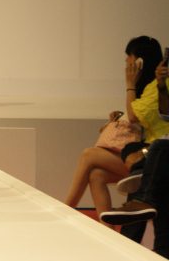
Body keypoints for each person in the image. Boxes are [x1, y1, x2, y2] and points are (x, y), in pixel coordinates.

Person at [64, 36, 165, 223]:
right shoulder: (147, 87)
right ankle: (108, 230)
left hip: (152, 158)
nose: (126, 61)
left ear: (140, 61)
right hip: (143, 153)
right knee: (96, 175)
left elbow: (134, 116)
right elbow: (137, 116)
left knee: (88, 155)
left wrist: (129, 85)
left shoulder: (154, 87)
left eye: (129, 56)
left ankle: (66, 209)